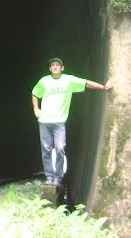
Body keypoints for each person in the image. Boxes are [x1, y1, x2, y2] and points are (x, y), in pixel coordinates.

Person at [31, 57, 113, 188]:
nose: (55, 67)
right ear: (50, 68)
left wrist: (103, 87)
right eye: (53, 65)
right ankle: (49, 177)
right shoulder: (44, 81)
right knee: (46, 149)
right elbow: (35, 93)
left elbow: (86, 83)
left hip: (59, 122)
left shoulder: (69, 80)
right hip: (45, 121)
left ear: (62, 68)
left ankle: (57, 177)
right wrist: (36, 108)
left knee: (59, 148)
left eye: (58, 65)